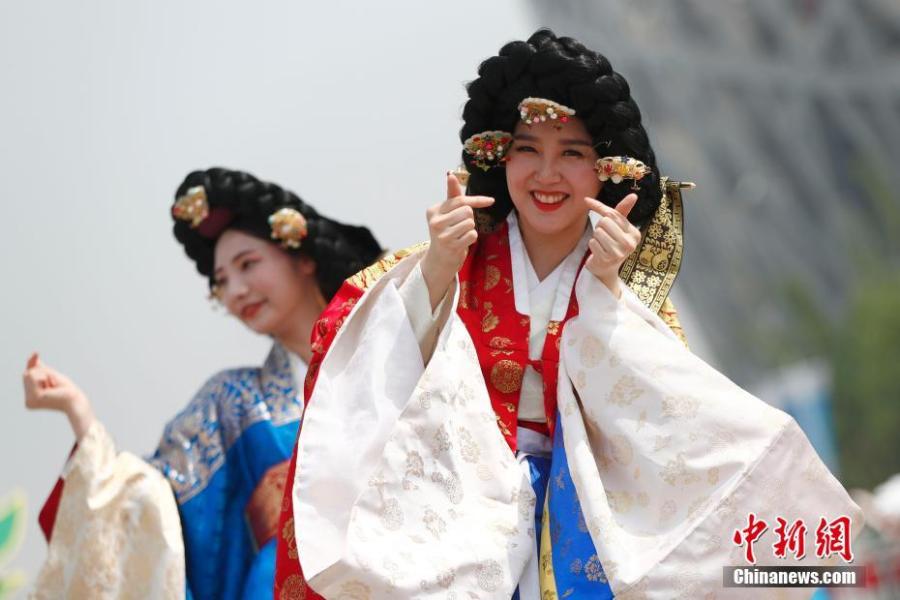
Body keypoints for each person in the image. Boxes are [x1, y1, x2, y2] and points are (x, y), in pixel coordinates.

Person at [273, 30, 861, 599]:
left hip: (589, 519)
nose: (546, 175)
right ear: (498, 158)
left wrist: (605, 298)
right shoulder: (452, 261)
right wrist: (435, 274)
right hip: (461, 518)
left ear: (606, 170)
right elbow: (342, 346)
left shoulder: (625, 290)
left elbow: (671, 425)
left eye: (572, 153)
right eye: (527, 150)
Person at [23, 167, 382, 599]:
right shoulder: (232, 402)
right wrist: (80, 415)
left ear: (302, 257)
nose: (236, 290)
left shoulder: (386, 356)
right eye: (222, 282)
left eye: (248, 264)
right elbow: (150, 508)